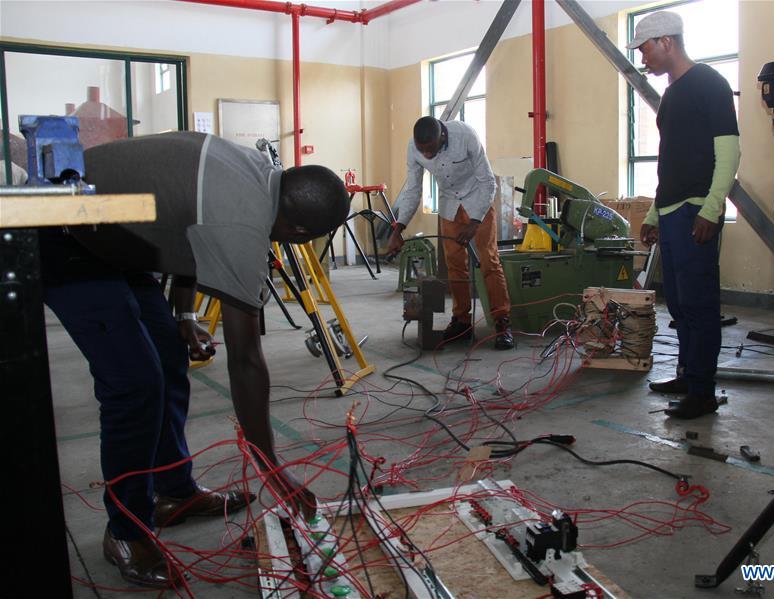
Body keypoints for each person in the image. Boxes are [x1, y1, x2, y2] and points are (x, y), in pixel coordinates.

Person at [40, 131, 350, 588]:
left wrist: (185, 314)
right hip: (64, 234)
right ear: (299, 232)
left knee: (168, 354)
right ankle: (126, 531)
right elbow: (246, 361)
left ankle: (173, 493)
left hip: (122, 238)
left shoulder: (256, 174)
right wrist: (273, 469)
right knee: (135, 382)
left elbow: (188, 234)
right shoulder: (242, 224)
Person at [629, 11, 740, 419]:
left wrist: (712, 208)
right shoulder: (673, 94)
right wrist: (656, 215)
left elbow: (729, 153)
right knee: (677, 303)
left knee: (699, 303)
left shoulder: (710, 84)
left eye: (645, 49)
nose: (644, 59)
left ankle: (703, 393)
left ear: (667, 42)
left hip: (696, 210)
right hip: (673, 211)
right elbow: (669, 163)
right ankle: (687, 374)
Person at [387, 116, 513, 350]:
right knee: (454, 264)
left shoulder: (466, 137)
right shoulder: (414, 149)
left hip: (478, 201)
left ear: (442, 137)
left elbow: (487, 182)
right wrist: (399, 228)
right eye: (421, 150)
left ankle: (502, 322)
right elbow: (413, 190)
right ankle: (462, 322)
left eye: (430, 150)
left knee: (489, 262)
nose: (426, 155)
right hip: (449, 206)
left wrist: (475, 221)